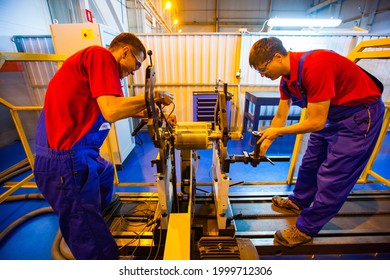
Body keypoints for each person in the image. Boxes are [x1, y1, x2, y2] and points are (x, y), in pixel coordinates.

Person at [33, 32, 173, 259]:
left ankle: (98, 218)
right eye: (136, 64)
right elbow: (112, 109)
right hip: (63, 161)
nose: (134, 72)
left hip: (81, 153)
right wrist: (154, 96)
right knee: (87, 231)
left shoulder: (100, 75)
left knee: (105, 172)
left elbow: (109, 108)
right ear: (124, 51)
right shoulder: (100, 56)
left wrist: (152, 111)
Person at [248, 37, 384, 248]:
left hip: (359, 116)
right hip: (333, 116)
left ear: (277, 56)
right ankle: (298, 201)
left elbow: (317, 122)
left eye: (263, 70)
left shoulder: (316, 66)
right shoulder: (286, 79)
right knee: (311, 161)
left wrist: (278, 131)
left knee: (333, 175)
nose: (264, 76)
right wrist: (267, 141)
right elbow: (280, 116)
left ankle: (306, 229)